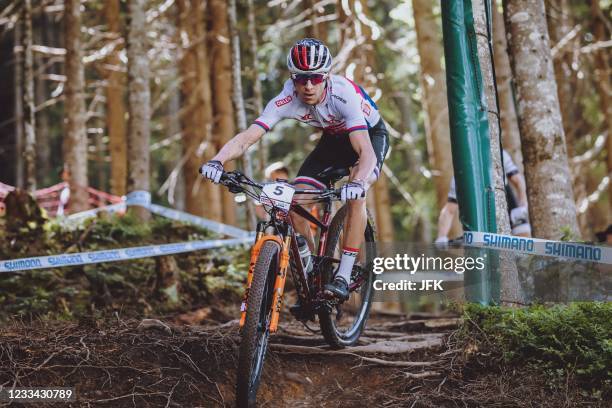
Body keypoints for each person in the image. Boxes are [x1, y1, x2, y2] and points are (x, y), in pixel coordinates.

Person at [200, 38, 389, 300]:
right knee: (296, 203)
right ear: (293, 78)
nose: (308, 85)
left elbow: (365, 152)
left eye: (316, 78)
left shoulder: (343, 94)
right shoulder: (287, 96)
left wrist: (358, 184)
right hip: (333, 142)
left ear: (327, 76)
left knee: (358, 192)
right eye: (301, 78)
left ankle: (345, 274)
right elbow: (248, 136)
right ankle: (312, 270)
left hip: (368, 137)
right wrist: (217, 160)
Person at [435, 150, 530, 243]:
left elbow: (518, 181)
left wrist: (523, 204)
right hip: (481, 214)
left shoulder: (499, 154)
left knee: (524, 237)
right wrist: (441, 237)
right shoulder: (459, 178)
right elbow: (449, 210)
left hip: (508, 204)